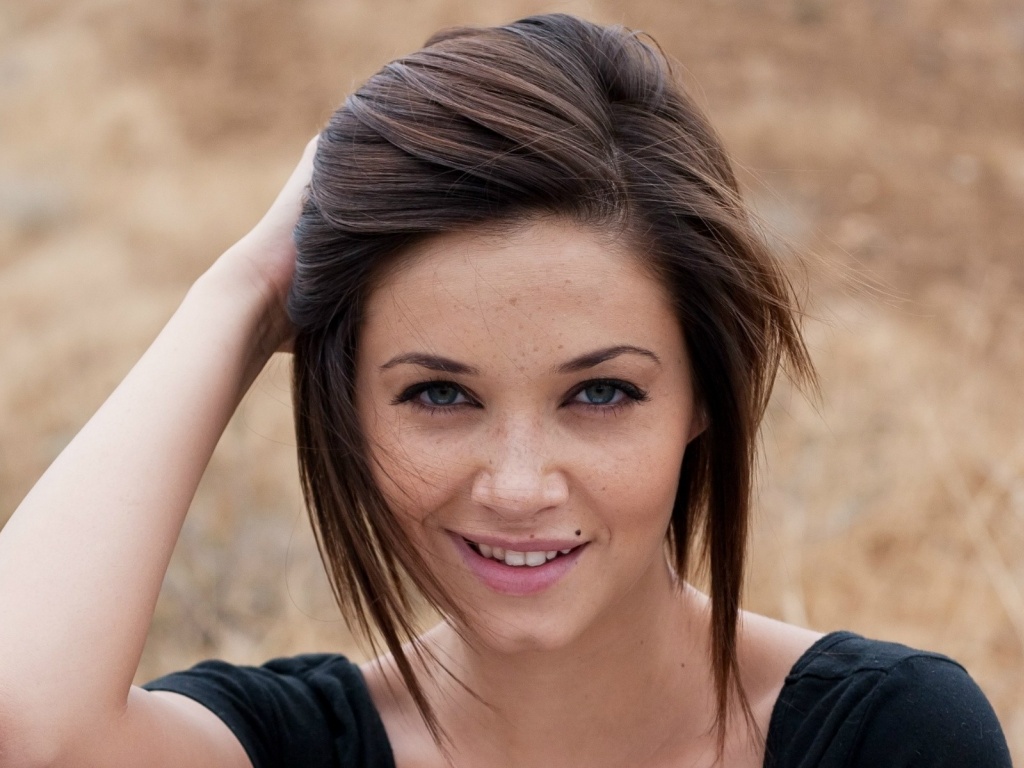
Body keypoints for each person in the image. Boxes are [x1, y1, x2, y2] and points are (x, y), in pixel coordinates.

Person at [0, 13, 1011, 768]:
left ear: (704, 394)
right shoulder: (293, 749)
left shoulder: (885, 738)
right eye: (439, 395)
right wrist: (247, 290)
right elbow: (28, 726)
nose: (519, 487)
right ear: (346, 409)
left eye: (601, 393)